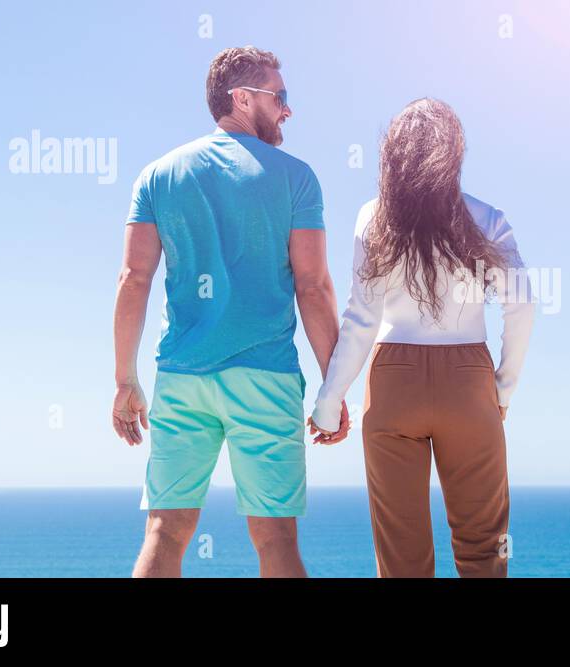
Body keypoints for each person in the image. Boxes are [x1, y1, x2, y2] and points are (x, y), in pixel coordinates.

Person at [111, 46, 349, 578]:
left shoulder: (157, 176)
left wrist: (125, 378)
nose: (288, 110)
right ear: (242, 98)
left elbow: (133, 280)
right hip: (265, 379)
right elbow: (313, 287)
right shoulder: (297, 178)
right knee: (277, 540)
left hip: (181, 376)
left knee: (165, 533)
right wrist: (333, 387)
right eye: (280, 97)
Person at [309, 98, 535, 577]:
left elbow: (361, 318)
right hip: (468, 382)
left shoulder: (373, 218)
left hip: (393, 383)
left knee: (402, 559)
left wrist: (330, 401)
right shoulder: (488, 217)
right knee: (483, 550)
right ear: (455, 151)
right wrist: (502, 388)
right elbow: (522, 305)